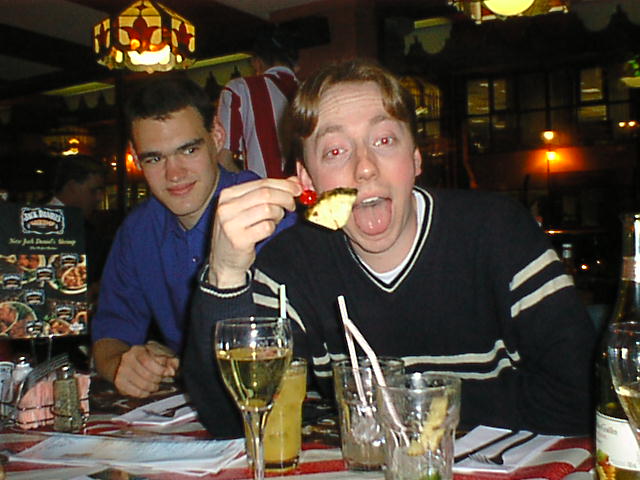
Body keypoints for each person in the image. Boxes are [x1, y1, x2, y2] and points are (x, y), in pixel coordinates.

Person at [183, 59, 596, 438]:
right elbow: (235, 420)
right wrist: (226, 274)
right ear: (306, 180)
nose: (364, 167)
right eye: (335, 151)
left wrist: (405, 405)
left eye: (383, 140)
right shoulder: (289, 266)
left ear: (415, 159)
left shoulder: (497, 232)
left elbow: (581, 398)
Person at [91, 75, 296, 399]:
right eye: (154, 158)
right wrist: (123, 365)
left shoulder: (272, 216)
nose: (174, 174)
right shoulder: (137, 231)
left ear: (216, 137)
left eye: (188, 150)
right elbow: (110, 335)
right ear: (134, 155)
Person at [217, 27, 299, 178]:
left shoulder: (239, 89)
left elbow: (223, 160)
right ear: (296, 65)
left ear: (257, 62)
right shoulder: (315, 93)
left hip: (263, 189)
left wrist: (252, 184)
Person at [47, 155, 109, 296]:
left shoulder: (88, 229)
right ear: (72, 187)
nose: (100, 198)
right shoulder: (34, 227)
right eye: (94, 190)